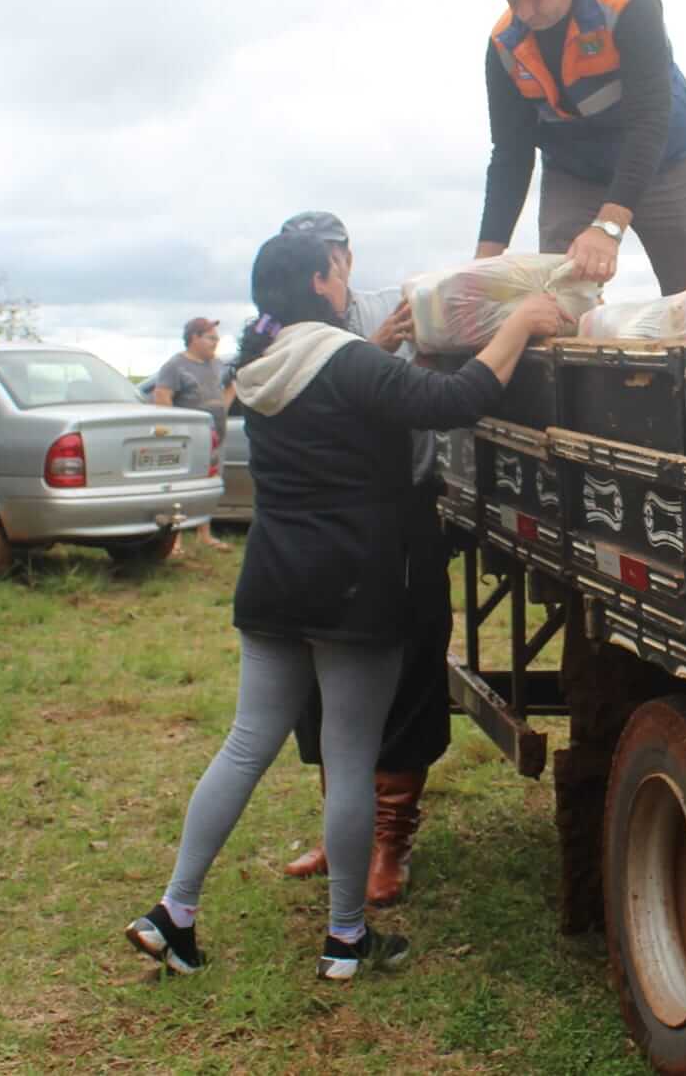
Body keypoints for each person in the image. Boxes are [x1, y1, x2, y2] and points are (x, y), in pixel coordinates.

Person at [125, 223, 564, 981]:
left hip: (272, 583)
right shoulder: (349, 360)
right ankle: (345, 937)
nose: (347, 278)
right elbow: (458, 398)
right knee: (353, 759)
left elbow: (353, 400)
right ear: (322, 283)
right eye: (339, 268)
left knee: (244, 746)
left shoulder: (260, 366)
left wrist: (386, 350)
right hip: (354, 590)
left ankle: (174, 911)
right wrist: (522, 320)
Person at [276, 212, 443, 907]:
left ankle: (390, 840)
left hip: (400, 508)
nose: (326, 276)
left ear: (344, 258)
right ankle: (342, 829)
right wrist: (373, 354)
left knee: (409, 670)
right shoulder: (279, 328)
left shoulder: (399, 304)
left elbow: (437, 390)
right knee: (321, 682)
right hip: (321, 519)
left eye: (330, 258)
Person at [476, 0, 686, 296]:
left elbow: (649, 120)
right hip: (574, 172)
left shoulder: (627, 2)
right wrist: (481, 267)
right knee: (558, 294)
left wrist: (608, 227)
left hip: (664, 158)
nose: (523, 13)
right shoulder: (504, 45)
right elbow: (511, 154)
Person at [152, 317, 234, 554]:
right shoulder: (175, 366)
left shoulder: (217, 365)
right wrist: (173, 434)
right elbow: (162, 396)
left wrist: (226, 403)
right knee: (180, 489)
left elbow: (227, 391)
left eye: (217, 338)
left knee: (209, 486)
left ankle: (204, 535)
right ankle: (174, 541)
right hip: (187, 441)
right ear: (194, 338)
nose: (215, 343)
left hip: (216, 438)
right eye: (211, 338)